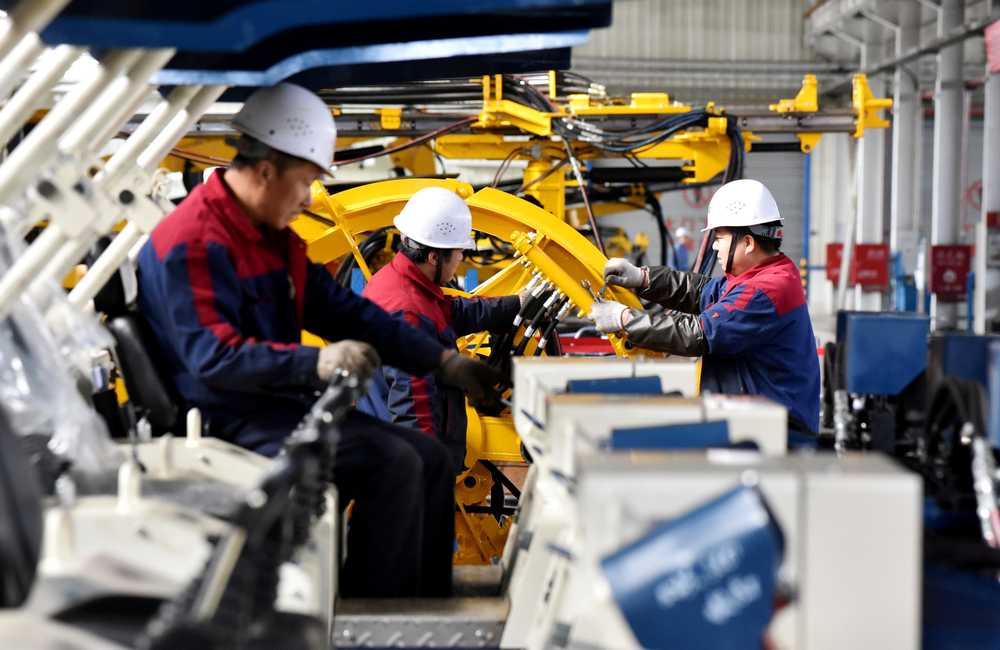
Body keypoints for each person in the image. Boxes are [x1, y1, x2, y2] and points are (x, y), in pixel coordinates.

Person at [136, 83, 504, 598]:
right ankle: (377, 617)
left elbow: (344, 310)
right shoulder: (191, 241)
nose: (309, 197)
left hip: (276, 408)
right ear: (267, 170)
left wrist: (442, 363)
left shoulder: (266, 235)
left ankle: (422, 599)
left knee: (431, 456)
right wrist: (316, 364)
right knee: (395, 462)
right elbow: (211, 358)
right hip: (229, 418)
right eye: (306, 181)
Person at [588, 179, 820, 438]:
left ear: (748, 243)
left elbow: (698, 333)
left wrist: (624, 319)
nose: (714, 246)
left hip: (777, 434)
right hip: (754, 420)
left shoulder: (766, 289)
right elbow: (700, 291)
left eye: (719, 238)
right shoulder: (760, 275)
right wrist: (643, 278)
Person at [358, 187, 522, 472]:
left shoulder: (400, 282)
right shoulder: (408, 309)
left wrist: (514, 305)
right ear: (434, 257)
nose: (461, 258)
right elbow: (413, 403)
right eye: (458, 252)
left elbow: (450, 312)